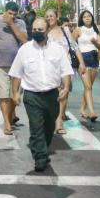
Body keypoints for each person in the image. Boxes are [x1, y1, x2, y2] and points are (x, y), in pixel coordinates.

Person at [9, 18, 74, 171]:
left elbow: (65, 71)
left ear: (47, 31)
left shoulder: (57, 49)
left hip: (52, 95)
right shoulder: (25, 50)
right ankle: (40, 157)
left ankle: (40, 146)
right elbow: (16, 74)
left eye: (40, 30)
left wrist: (65, 87)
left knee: (49, 127)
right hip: (32, 95)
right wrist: (15, 93)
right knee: (36, 127)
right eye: (35, 30)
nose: (37, 33)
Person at [0, 1, 29, 135]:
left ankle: (11, 115)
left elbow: (24, 40)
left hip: (18, 66)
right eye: (10, 14)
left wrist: (11, 24)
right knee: (4, 95)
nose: (12, 16)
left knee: (15, 96)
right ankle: (7, 123)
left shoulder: (20, 23)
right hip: (0, 65)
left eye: (15, 14)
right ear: (5, 11)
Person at [46, 9, 85, 134]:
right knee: (52, 96)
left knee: (63, 95)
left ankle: (59, 123)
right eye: (46, 16)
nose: (49, 18)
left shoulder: (65, 30)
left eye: (51, 16)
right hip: (49, 68)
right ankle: (49, 119)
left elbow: (74, 46)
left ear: (57, 17)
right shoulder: (44, 32)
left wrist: (82, 63)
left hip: (65, 67)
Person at [72, 10, 100, 122]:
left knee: (88, 87)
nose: (87, 18)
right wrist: (79, 61)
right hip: (82, 59)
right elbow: (72, 44)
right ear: (81, 19)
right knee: (88, 87)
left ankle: (82, 109)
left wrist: (95, 43)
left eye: (89, 16)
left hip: (94, 59)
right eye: (85, 17)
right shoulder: (78, 30)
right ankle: (92, 111)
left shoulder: (96, 30)